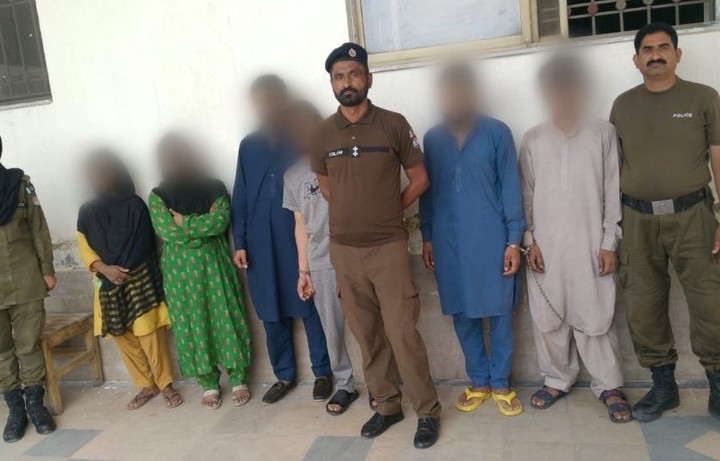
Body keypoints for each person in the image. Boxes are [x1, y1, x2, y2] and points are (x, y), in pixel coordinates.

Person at [313, 43, 441, 450]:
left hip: (387, 247)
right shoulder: (322, 133)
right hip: (344, 250)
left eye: (353, 74)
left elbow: (420, 179)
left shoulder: (393, 124)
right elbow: (327, 187)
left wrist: (388, 210)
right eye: (338, 77)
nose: (346, 82)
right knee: (366, 333)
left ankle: (427, 410)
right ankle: (387, 405)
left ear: (368, 78)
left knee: (402, 333)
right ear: (332, 84)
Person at [610, 22, 720, 423]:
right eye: (647, 49)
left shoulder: (703, 97)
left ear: (677, 54)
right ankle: (663, 387)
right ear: (636, 59)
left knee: (710, 303)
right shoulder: (622, 105)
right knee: (643, 305)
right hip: (637, 220)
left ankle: (718, 385)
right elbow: (614, 166)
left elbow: (718, 156)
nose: (655, 55)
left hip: (694, 216)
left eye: (663, 47)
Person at [519, 55, 631, 423]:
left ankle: (609, 384)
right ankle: (556, 379)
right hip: (546, 245)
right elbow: (526, 195)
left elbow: (613, 189)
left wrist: (609, 241)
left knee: (596, 311)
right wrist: (529, 240)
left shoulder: (602, 132)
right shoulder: (533, 138)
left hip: (590, 241)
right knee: (548, 314)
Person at [420, 63, 524, 418]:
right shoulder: (432, 139)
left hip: (492, 239)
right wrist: (427, 236)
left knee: (500, 311)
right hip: (449, 242)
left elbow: (510, 188)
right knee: (462, 311)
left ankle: (501, 382)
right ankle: (479, 380)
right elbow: (427, 192)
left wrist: (514, 241)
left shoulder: (497, 132)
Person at [232, 75, 332, 405]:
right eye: (261, 101)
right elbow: (241, 195)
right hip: (260, 244)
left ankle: (323, 372)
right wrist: (240, 241)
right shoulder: (249, 145)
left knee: (309, 304)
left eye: (273, 99)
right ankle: (284, 374)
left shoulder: (300, 138)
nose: (268, 106)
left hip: (296, 238)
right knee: (270, 309)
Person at [149, 134, 252, 410]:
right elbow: (166, 231)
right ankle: (208, 383)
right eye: (171, 157)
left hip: (215, 266)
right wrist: (200, 226)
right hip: (179, 275)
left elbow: (220, 222)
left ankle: (238, 378)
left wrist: (184, 222)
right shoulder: (158, 195)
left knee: (226, 316)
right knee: (192, 324)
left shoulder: (213, 186)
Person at [77, 150, 183, 411]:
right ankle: (146, 385)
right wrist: (105, 269)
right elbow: (85, 247)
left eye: (104, 172)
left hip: (139, 281)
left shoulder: (135, 205)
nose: (99, 178)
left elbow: (145, 244)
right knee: (123, 337)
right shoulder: (87, 211)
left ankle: (166, 385)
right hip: (108, 285)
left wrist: (123, 270)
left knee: (150, 335)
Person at [283, 100, 358, 415]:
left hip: (354, 253)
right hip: (320, 261)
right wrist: (304, 271)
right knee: (332, 328)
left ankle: (384, 385)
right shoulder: (292, 175)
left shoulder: (343, 158)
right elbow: (300, 224)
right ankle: (345, 385)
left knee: (370, 324)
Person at [0, 135, 57, 443]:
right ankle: (15, 411)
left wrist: (47, 269)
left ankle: (36, 406)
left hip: (26, 280)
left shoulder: (19, 185)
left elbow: (39, 229)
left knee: (29, 345)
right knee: (1, 351)